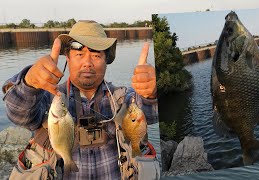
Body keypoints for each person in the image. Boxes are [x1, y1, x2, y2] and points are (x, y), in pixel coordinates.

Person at [2, 20, 159, 179]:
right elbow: (18, 114)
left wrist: (150, 94)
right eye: (79, 54)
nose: (87, 63)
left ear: (106, 61)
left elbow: (150, 114)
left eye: (96, 55)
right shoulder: (49, 97)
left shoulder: (120, 96)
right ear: (68, 58)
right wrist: (29, 84)